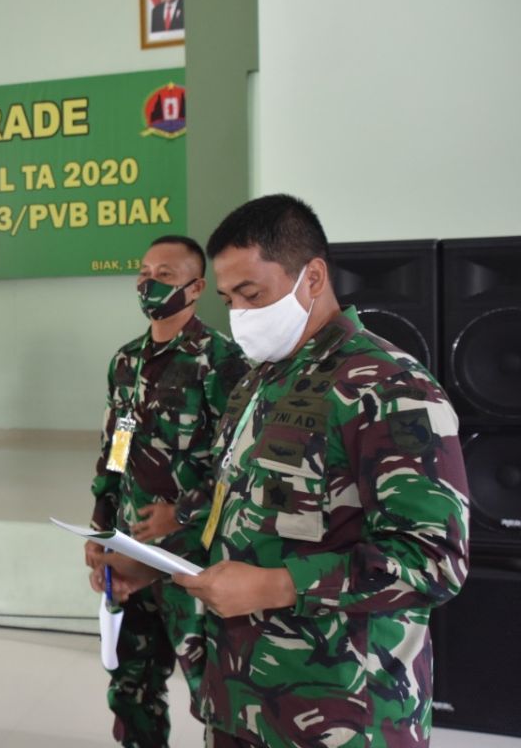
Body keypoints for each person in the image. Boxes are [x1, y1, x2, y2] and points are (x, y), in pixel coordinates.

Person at [108, 194, 470, 747]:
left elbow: (434, 558)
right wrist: (154, 565)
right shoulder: (260, 382)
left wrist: (279, 585)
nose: (241, 314)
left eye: (252, 294)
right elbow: (230, 505)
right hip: (242, 696)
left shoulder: (387, 386)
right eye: (230, 299)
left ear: (314, 276)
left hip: (341, 710)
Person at [85, 235, 248, 747]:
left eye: (165, 275)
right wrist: (100, 530)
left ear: (197, 287)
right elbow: (116, 449)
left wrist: (184, 515)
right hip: (131, 551)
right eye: (143, 272)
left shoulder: (223, 361)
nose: (148, 283)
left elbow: (238, 464)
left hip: (193, 561)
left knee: (213, 697)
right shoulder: (126, 361)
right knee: (132, 688)